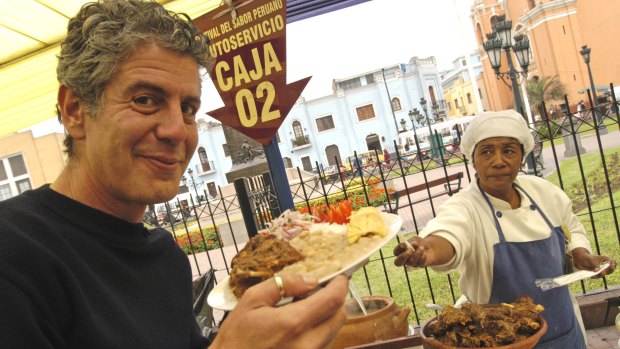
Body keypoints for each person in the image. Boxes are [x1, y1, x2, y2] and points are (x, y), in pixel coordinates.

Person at [0, 1, 348, 348]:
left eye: (187, 108)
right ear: (75, 111)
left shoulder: (166, 258)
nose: (176, 131)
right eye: (146, 100)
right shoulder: (15, 255)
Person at [393, 110, 616, 348]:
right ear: (474, 160)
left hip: (563, 333)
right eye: (487, 151)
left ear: (522, 157)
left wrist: (581, 254)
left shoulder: (544, 192)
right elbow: (448, 234)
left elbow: (571, 227)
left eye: (509, 150)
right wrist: (427, 249)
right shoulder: (465, 206)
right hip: (498, 341)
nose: (498, 160)